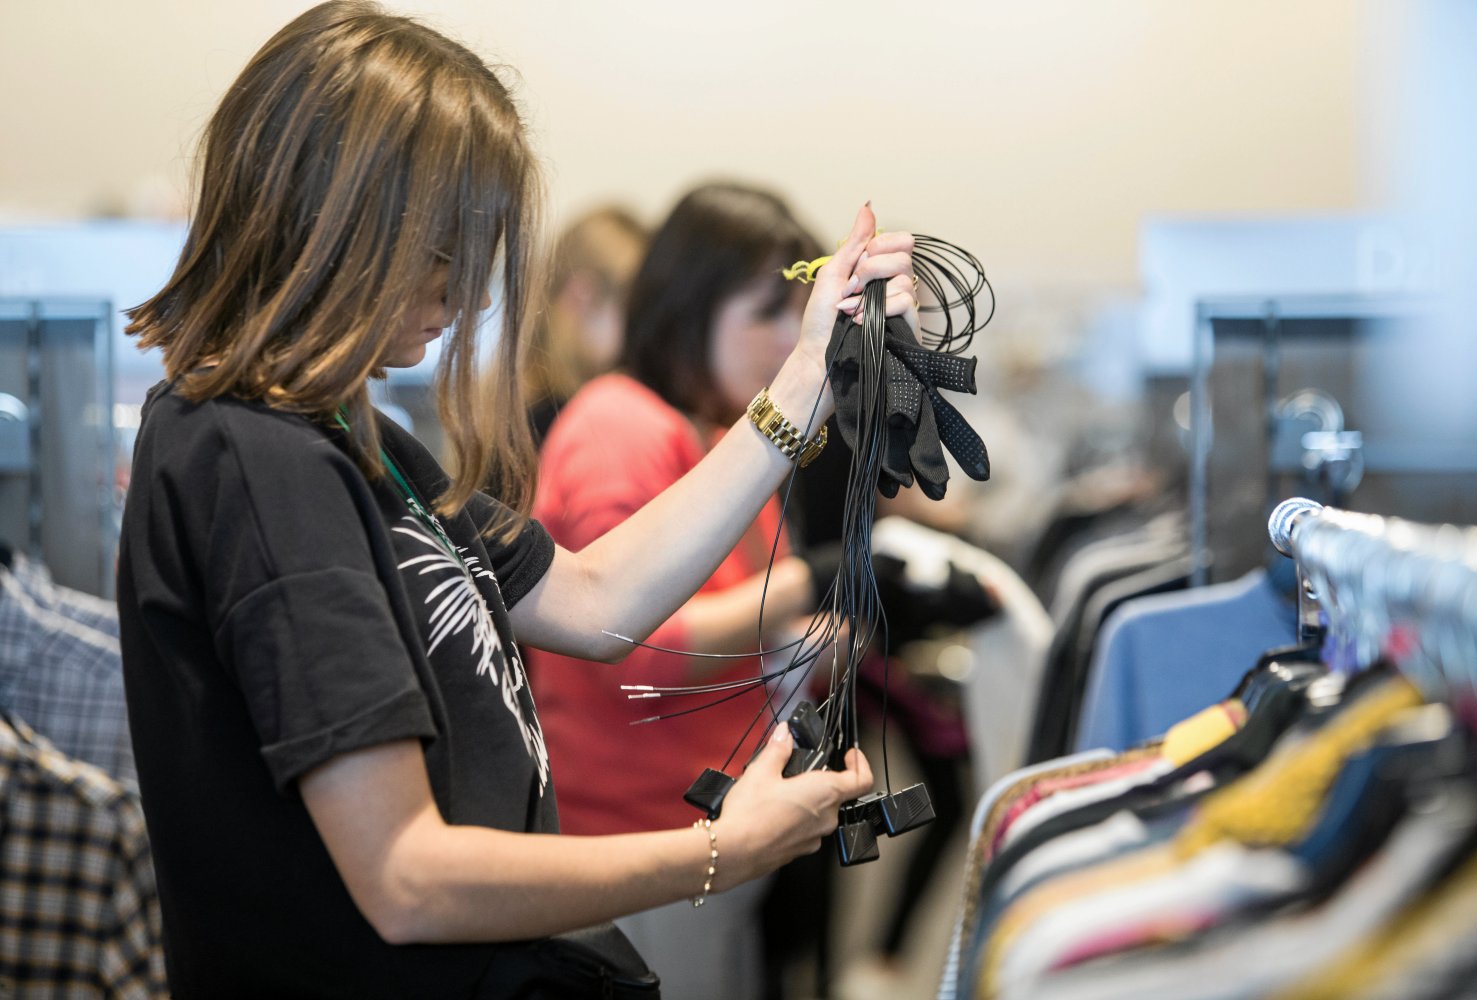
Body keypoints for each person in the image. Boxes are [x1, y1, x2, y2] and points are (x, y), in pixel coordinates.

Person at [113, 4, 917, 997]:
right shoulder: (253, 460)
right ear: (346, 221)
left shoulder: (347, 436)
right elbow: (410, 877)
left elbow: (592, 599)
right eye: (447, 246)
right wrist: (716, 849)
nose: (466, 291)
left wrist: (805, 380)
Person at [526, 182, 833, 999]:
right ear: (693, 305)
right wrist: (814, 582)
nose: (784, 344)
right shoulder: (620, 425)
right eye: (766, 314)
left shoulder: (727, 437)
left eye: (797, 319)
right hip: (634, 848)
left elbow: (747, 634)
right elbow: (645, 653)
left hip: (706, 835)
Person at [522, 206, 648, 443]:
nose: (644, 330)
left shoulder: (513, 404)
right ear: (583, 296)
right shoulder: (546, 422)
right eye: (635, 310)